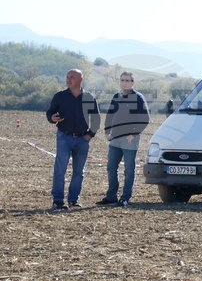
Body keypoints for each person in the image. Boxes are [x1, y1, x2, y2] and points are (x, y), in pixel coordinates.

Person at [45, 69, 101, 210]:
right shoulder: (60, 96)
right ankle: (58, 201)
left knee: (79, 172)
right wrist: (52, 118)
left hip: (82, 139)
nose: (68, 80)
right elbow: (50, 112)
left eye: (72, 77)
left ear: (80, 79)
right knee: (60, 169)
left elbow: (96, 118)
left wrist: (90, 135)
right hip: (64, 137)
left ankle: (73, 200)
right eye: (67, 77)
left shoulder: (89, 97)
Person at [98, 72, 150, 207]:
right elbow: (110, 115)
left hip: (129, 139)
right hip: (115, 138)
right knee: (111, 168)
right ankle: (111, 196)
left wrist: (134, 133)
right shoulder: (116, 97)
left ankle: (125, 198)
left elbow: (145, 119)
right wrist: (107, 132)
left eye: (128, 80)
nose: (125, 82)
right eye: (122, 80)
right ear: (119, 82)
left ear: (133, 82)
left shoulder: (138, 98)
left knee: (129, 169)